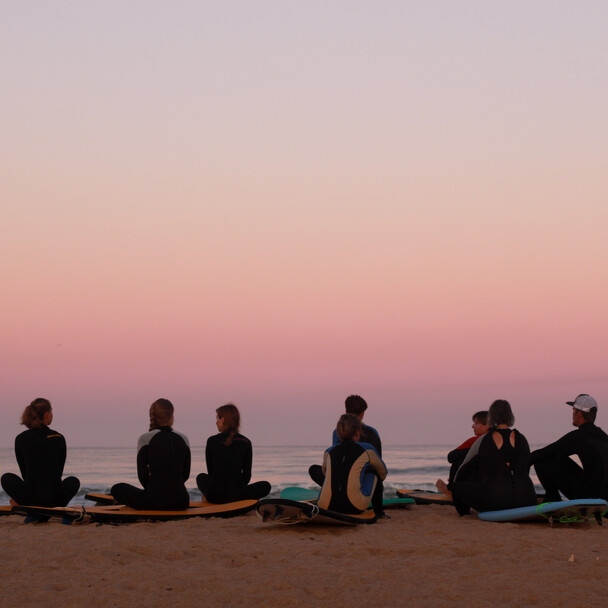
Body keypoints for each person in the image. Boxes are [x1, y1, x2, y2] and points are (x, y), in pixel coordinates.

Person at [451, 399, 536, 516]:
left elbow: (463, 470)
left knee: (457, 487)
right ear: (511, 416)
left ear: (491, 417)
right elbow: (525, 467)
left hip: (495, 502)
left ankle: (465, 515)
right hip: (527, 499)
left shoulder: (483, 440)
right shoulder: (522, 439)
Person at [309, 394, 385, 515]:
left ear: (346, 411)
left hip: (335, 490)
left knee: (314, 469)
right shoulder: (372, 433)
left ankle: (333, 492)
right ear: (362, 414)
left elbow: (334, 464)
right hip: (361, 487)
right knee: (374, 471)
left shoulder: (336, 433)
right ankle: (379, 511)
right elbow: (380, 468)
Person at [111, 398, 191, 510]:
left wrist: (154, 491)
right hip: (181, 501)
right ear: (172, 416)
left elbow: (142, 475)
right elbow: (185, 474)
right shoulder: (184, 438)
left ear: (152, 416)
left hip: (154, 501)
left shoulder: (145, 438)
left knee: (117, 488)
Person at [1, 398, 80, 507]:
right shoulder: (58, 437)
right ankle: (50, 504)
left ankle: (23, 504)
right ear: (47, 414)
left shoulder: (20, 438)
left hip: (30, 498)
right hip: (55, 498)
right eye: (51, 412)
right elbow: (59, 472)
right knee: (73, 481)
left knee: (6, 478)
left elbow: (25, 473)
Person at [530, 394, 608, 502]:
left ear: (579, 413)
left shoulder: (580, 436)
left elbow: (544, 453)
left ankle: (552, 500)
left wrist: (518, 465)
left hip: (592, 499)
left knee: (541, 460)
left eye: (573, 410)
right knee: (556, 455)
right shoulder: (604, 436)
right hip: (604, 497)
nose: (572, 414)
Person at [196, 403, 271, 503]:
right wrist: (239, 490)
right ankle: (245, 498)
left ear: (222, 419)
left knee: (201, 477)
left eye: (217, 419)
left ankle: (207, 497)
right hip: (237, 495)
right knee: (265, 485)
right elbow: (247, 475)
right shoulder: (246, 442)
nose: (216, 422)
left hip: (216, 495)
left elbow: (211, 472)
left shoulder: (212, 441)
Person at [435, 410, 489, 496]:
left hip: (477, 482)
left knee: (459, 460)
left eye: (476, 423)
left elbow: (451, 457)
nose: (472, 426)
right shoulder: (500, 440)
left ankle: (451, 489)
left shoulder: (476, 440)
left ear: (487, 426)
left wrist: (472, 451)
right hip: (491, 482)